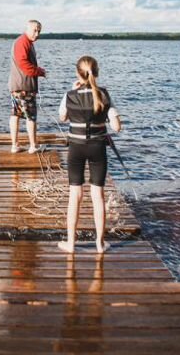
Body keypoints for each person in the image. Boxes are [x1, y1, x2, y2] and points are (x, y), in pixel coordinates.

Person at [57, 56, 121, 254]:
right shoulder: (104, 95)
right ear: (97, 72)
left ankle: (70, 243)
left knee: (75, 195)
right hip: (97, 149)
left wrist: (74, 89)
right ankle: (100, 244)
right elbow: (117, 127)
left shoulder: (69, 95)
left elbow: (62, 116)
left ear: (78, 74)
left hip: (76, 148)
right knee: (97, 196)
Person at [8, 20, 46, 154]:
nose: (37, 34)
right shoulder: (22, 42)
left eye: (39, 31)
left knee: (16, 114)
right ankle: (33, 146)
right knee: (31, 117)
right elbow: (24, 64)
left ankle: (15, 145)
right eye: (35, 30)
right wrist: (40, 72)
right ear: (27, 29)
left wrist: (38, 71)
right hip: (24, 87)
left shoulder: (26, 42)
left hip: (17, 87)